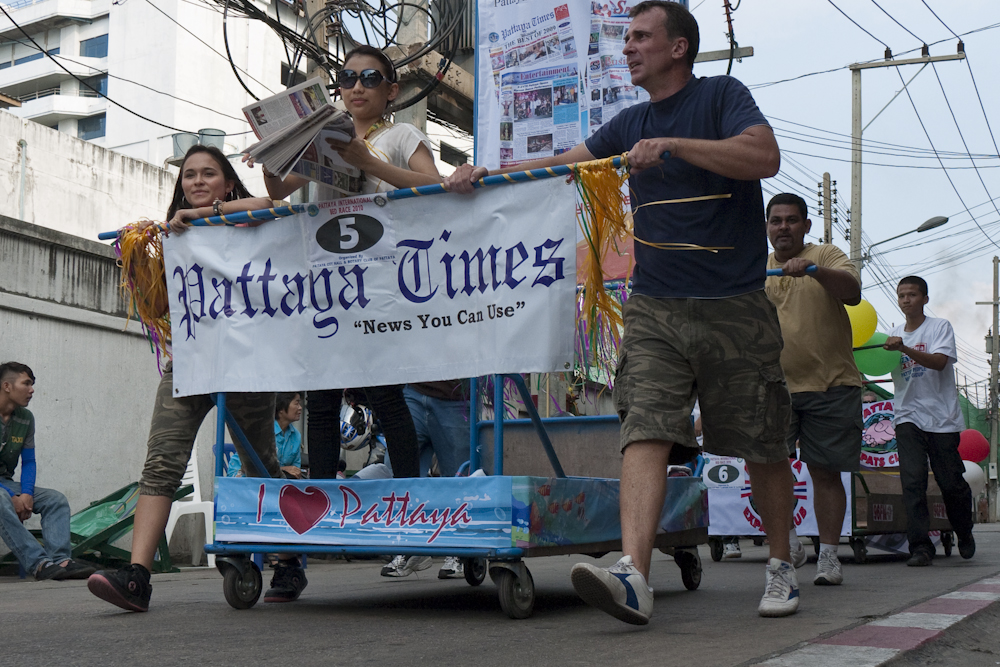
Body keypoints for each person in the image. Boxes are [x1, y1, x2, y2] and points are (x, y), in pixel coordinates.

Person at [446, 1, 795, 623]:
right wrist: (485, 174)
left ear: (678, 47)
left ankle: (781, 564)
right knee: (646, 429)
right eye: (626, 37)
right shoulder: (629, 122)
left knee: (762, 441)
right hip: (655, 307)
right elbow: (558, 165)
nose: (628, 47)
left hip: (734, 305)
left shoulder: (722, 97)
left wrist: (674, 147)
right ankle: (634, 575)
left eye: (640, 37)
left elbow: (763, 157)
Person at [87, 145, 297, 612]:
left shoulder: (246, 221)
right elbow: (161, 306)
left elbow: (273, 204)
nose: (197, 181)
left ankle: (287, 559)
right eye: (189, 175)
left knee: (258, 463)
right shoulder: (173, 236)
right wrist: (139, 262)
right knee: (161, 462)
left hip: (246, 362)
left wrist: (206, 215)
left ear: (227, 183)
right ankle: (137, 577)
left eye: (208, 173)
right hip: (190, 361)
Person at [252, 45, 442, 484]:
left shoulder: (402, 136)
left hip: (380, 281)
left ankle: (406, 498)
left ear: (392, 90)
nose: (357, 87)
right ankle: (324, 502)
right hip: (329, 281)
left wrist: (367, 163)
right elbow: (278, 190)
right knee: (321, 400)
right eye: (348, 77)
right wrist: (270, 153)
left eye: (370, 78)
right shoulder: (324, 134)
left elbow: (434, 185)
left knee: (385, 395)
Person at [765, 192, 863, 586]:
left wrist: (813, 270)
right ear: (767, 227)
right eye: (776, 220)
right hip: (773, 387)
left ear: (806, 225)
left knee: (824, 473)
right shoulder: (757, 268)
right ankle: (789, 543)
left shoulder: (826, 254)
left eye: (791, 220)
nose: (783, 227)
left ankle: (829, 556)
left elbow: (852, 292)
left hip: (831, 384)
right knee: (768, 469)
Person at [884, 276, 975, 566]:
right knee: (912, 482)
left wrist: (905, 349)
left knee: (951, 483)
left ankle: (964, 530)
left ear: (924, 299)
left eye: (912, 294)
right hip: (907, 416)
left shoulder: (939, 327)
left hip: (941, 418)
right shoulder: (892, 334)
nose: (906, 300)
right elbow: (883, 367)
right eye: (901, 295)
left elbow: (939, 362)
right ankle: (921, 547)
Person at [0, 362, 95, 581]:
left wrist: (26, 494)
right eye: (26, 384)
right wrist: (11, 495)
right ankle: (39, 563)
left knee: (55, 499)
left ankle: (61, 560)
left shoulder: (25, 418)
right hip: (3, 490)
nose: (32, 390)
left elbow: (29, 462)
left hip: (5, 483)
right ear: (7, 386)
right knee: (1, 498)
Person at [381, 380, 471, 579]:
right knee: (397, 471)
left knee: (458, 479)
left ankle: (458, 550)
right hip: (413, 390)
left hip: (455, 396)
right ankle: (409, 545)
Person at [227, 393, 304, 479]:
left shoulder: (296, 435)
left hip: (273, 480)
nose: (300, 407)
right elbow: (253, 467)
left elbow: (295, 470)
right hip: (243, 476)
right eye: (297, 403)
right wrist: (283, 469)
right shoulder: (262, 430)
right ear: (281, 408)